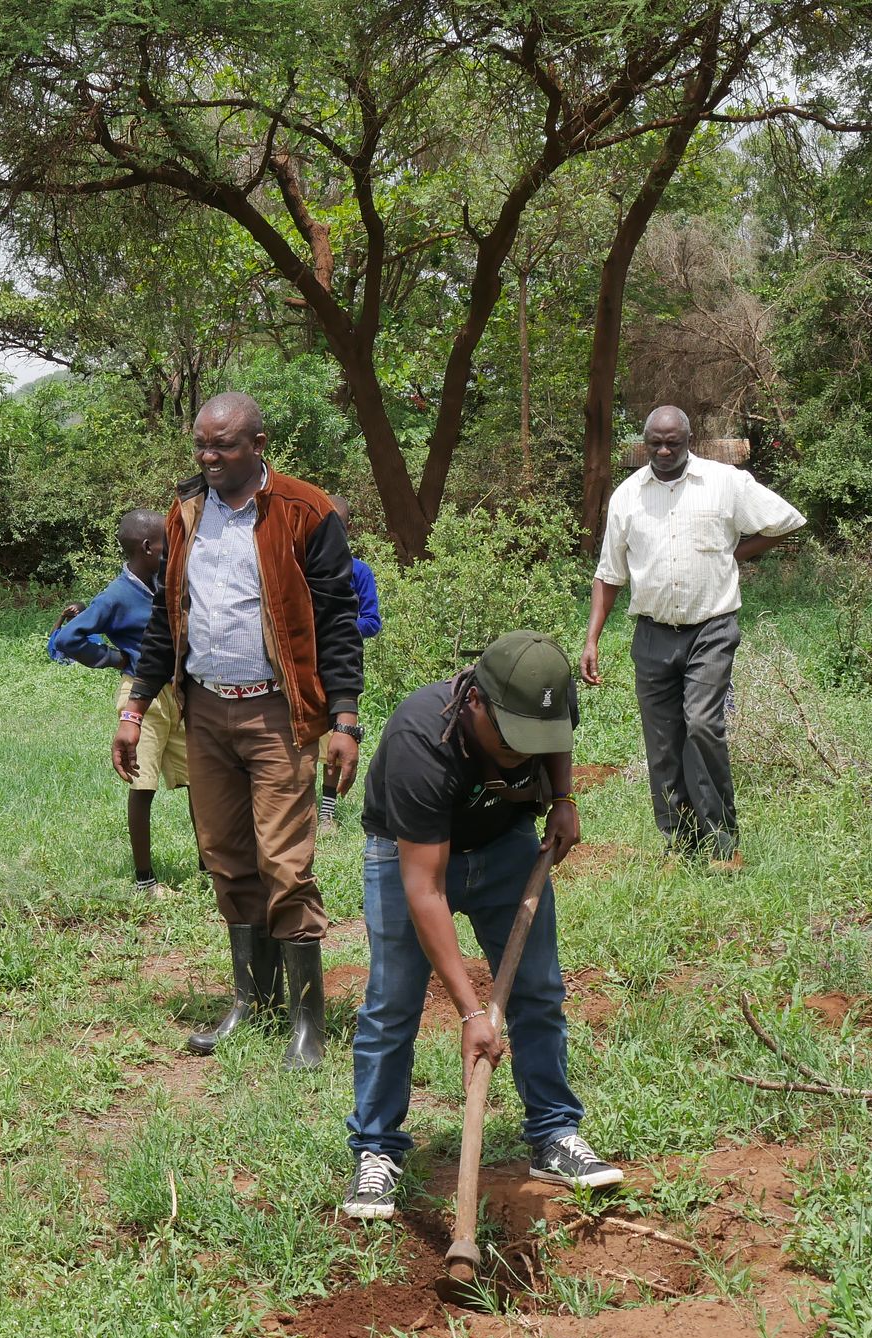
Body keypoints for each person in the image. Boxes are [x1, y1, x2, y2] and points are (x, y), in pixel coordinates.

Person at [116, 392, 364, 1070]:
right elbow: (167, 619)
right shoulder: (186, 514)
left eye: (222, 445)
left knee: (285, 863)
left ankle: (307, 1025)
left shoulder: (305, 512)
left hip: (278, 715)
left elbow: (339, 622)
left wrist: (344, 718)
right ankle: (251, 1003)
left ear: (257, 444)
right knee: (227, 858)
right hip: (205, 710)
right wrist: (136, 705)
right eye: (200, 443)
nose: (207, 456)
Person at [341, 631, 621, 1221]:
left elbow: (556, 737)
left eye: (533, 740)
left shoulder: (544, 693)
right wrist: (471, 1012)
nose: (521, 754)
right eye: (510, 739)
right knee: (392, 1003)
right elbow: (426, 890)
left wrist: (563, 797)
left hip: (506, 844)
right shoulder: (421, 741)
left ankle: (553, 1134)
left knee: (538, 991)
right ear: (475, 703)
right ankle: (376, 1149)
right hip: (406, 858)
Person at [580, 406, 804, 865]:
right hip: (652, 635)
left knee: (702, 725)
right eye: (655, 444)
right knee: (661, 741)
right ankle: (681, 845)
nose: (663, 451)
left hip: (712, 627)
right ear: (645, 443)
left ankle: (723, 844)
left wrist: (732, 553)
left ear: (689, 440)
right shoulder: (627, 496)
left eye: (673, 443)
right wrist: (591, 640)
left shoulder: (725, 482)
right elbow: (609, 574)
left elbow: (783, 522)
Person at [49, 508, 190, 897]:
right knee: (143, 785)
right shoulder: (116, 595)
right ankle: (145, 880)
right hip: (140, 697)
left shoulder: (166, 583)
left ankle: (209, 867)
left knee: (199, 781)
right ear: (147, 547)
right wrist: (115, 658)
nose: (173, 547)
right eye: (166, 541)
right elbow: (67, 639)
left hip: (179, 693)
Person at [317, 495, 382, 828]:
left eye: (337, 527)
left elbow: (372, 621)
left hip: (340, 666)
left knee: (336, 734)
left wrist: (338, 626)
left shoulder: (359, 571)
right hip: (303, 666)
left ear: (348, 528)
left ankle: (327, 810)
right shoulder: (303, 566)